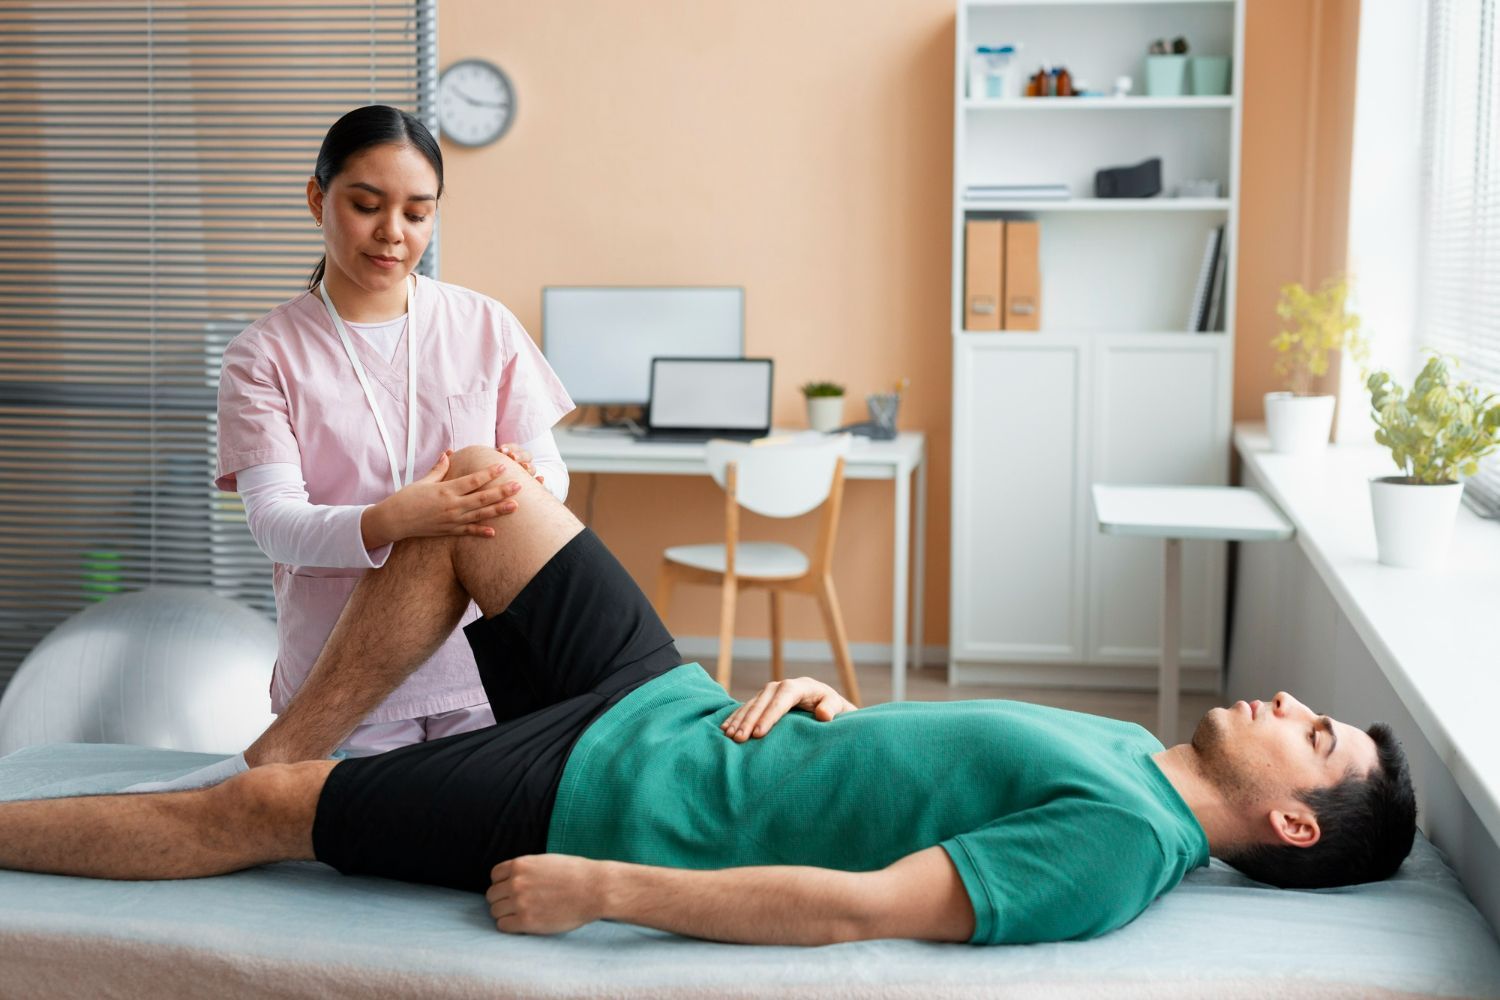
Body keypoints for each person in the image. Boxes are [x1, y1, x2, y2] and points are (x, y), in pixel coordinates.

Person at [0, 445, 1418, 946]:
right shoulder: (1131, 748)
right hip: (674, 705)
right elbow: (918, 765)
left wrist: (606, 890)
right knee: (481, 491)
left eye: (1316, 737)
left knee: (259, 817)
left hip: (615, 792)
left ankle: (243, 789)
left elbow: (864, 906)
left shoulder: (1119, 850)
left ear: (1294, 824)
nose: (1292, 703)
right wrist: (824, 697)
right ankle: (275, 747)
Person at [215, 105, 574, 760]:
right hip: (344, 678)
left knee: (468, 849)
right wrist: (389, 520)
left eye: (416, 212)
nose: (392, 234)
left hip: (477, 666)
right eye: (366, 205)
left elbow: (553, 475)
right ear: (318, 199)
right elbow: (272, 520)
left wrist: (527, 480)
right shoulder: (262, 354)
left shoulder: (483, 324)